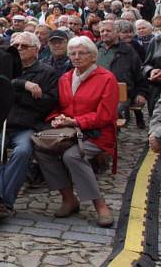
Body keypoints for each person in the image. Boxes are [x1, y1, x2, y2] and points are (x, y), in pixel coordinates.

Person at [34, 36, 118, 228]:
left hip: (97, 133)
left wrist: (77, 121)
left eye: (82, 53)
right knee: (41, 149)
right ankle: (68, 198)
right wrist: (56, 118)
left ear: (93, 55)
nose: (76, 57)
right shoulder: (65, 78)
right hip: (68, 131)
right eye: (73, 53)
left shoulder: (106, 78)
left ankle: (100, 204)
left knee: (72, 156)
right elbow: (58, 107)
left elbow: (105, 115)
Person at [0, 31, 59, 226]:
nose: (19, 50)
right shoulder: (3, 66)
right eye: (16, 46)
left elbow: (47, 102)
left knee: (22, 152)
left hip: (26, 125)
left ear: (36, 49)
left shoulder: (46, 72)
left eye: (24, 46)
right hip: (0, 122)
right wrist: (23, 85)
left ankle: (3, 201)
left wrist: (16, 94)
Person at [97, 20, 149, 128]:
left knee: (114, 110)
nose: (104, 33)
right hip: (97, 92)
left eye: (108, 30)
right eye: (102, 31)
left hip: (122, 94)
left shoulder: (128, 50)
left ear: (116, 32)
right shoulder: (94, 49)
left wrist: (141, 93)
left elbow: (139, 74)